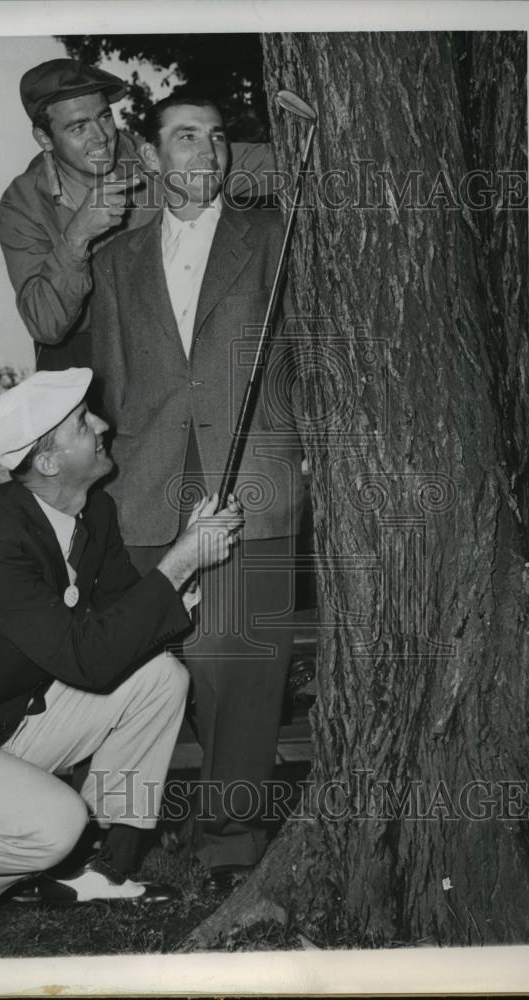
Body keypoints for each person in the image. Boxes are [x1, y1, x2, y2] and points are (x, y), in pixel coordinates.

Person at [0, 368, 243, 952]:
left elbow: (120, 629)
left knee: (162, 677)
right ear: (49, 462)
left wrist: (180, 575)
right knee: (56, 822)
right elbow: (88, 659)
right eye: (85, 424)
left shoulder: (96, 513)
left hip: (10, 719)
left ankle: (101, 866)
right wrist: (182, 560)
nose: (104, 426)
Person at [87, 94, 306, 888]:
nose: (206, 153)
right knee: (145, 663)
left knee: (241, 662)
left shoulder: (275, 239)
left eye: (216, 139)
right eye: (185, 138)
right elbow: (113, 386)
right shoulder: (114, 263)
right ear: (151, 157)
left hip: (252, 473)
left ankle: (230, 841)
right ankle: (113, 839)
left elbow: (305, 358)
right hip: (147, 484)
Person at [0, 58, 275, 370]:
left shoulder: (152, 159)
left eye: (103, 118)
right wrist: (76, 238)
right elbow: (45, 325)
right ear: (44, 138)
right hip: (80, 356)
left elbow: (271, 164)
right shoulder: (22, 203)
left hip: (158, 339)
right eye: (78, 127)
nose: (100, 137)